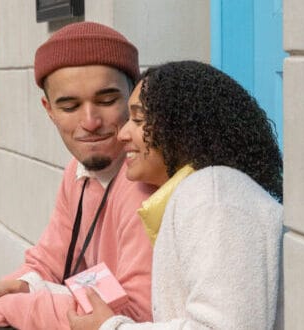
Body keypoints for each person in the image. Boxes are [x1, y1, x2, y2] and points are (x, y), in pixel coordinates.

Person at [0, 22, 157, 330]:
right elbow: (48, 263)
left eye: (107, 101)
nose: (90, 121)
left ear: (133, 100)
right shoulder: (76, 173)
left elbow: (135, 313)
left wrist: (7, 306)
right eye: (69, 106)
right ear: (48, 109)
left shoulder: (145, 185)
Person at [67, 61, 284, 329]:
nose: (123, 134)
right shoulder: (200, 193)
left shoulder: (215, 196)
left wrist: (111, 328)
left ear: (180, 127)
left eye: (137, 120)